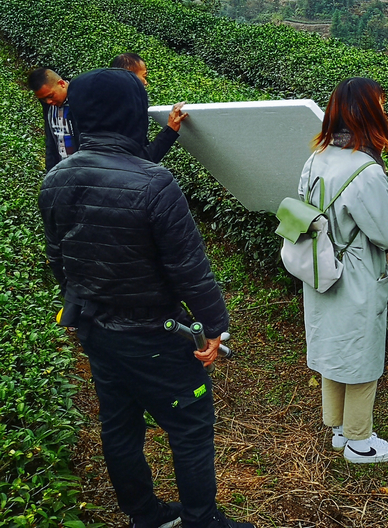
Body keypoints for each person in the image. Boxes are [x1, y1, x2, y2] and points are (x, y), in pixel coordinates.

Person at [38, 68, 253, 528]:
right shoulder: (153, 182)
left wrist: (80, 309)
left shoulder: (55, 179)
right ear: (132, 114)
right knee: (190, 429)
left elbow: (60, 261)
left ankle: (145, 515)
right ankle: (201, 520)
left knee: (119, 427)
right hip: (154, 332)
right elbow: (189, 269)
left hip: (97, 329)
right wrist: (215, 326)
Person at [299, 77, 388, 463]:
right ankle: (360, 442)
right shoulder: (365, 170)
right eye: (380, 104)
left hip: (321, 264)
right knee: (361, 352)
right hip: (357, 271)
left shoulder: (318, 156)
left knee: (332, 342)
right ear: (366, 113)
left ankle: (339, 427)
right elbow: (387, 234)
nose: (385, 110)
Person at [111, 53, 188, 163]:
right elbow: (142, 161)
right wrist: (171, 129)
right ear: (130, 76)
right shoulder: (125, 113)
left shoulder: (103, 109)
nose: (146, 83)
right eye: (144, 76)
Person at [28, 67, 75, 172]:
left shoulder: (80, 100)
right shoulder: (49, 107)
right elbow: (51, 142)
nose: (48, 101)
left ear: (61, 84)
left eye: (50, 96)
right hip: (62, 171)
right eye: (43, 99)